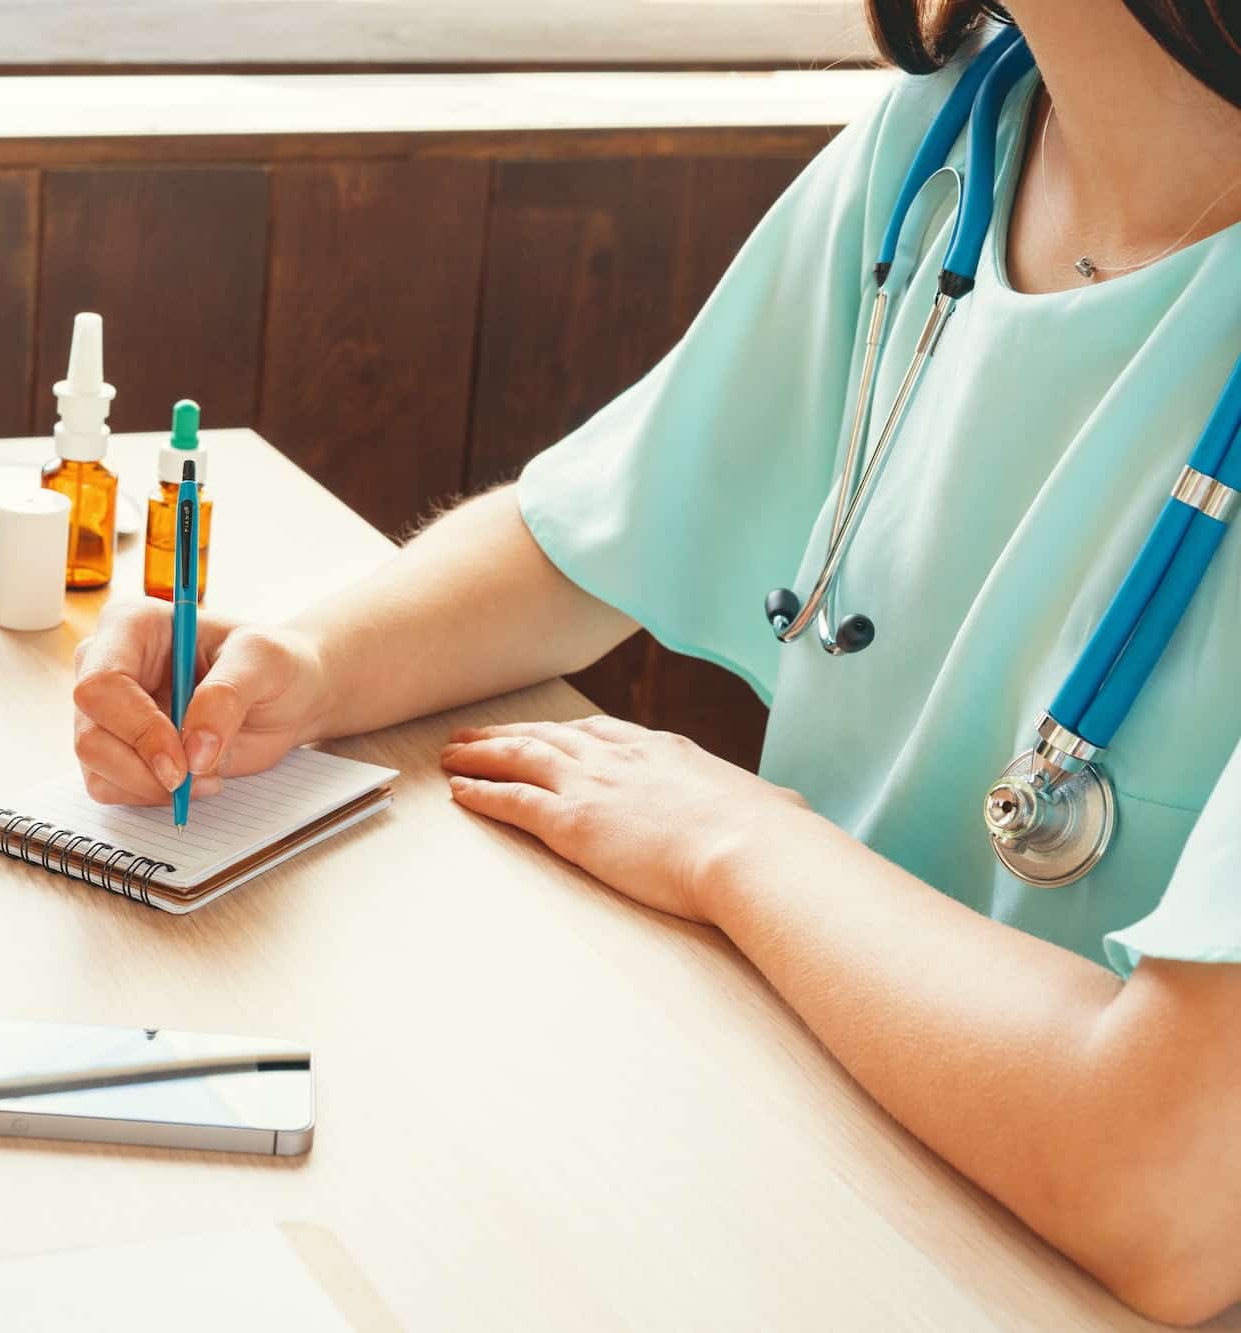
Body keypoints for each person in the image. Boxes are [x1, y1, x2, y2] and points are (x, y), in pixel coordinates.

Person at [69, 0, 1241, 1321]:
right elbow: (606, 521)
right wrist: (303, 656)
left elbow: (1170, 1188)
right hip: (825, 1147)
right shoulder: (953, 145)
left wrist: (745, 844)